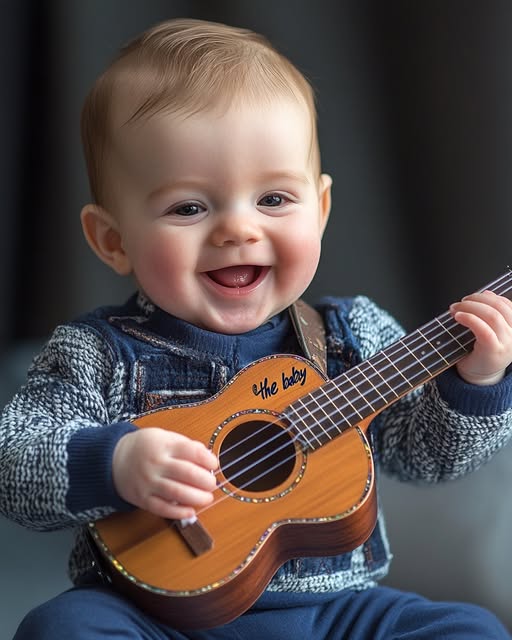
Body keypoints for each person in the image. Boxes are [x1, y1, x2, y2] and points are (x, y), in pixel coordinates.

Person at [3, 17, 512, 640]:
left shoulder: (351, 335)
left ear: (320, 210)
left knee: (472, 629)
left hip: (336, 613)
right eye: (189, 207)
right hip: (155, 616)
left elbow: (428, 458)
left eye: (273, 199)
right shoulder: (96, 353)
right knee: (60, 628)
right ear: (113, 240)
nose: (238, 230)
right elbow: (16, 465)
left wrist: (476, 382)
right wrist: (114, 462)